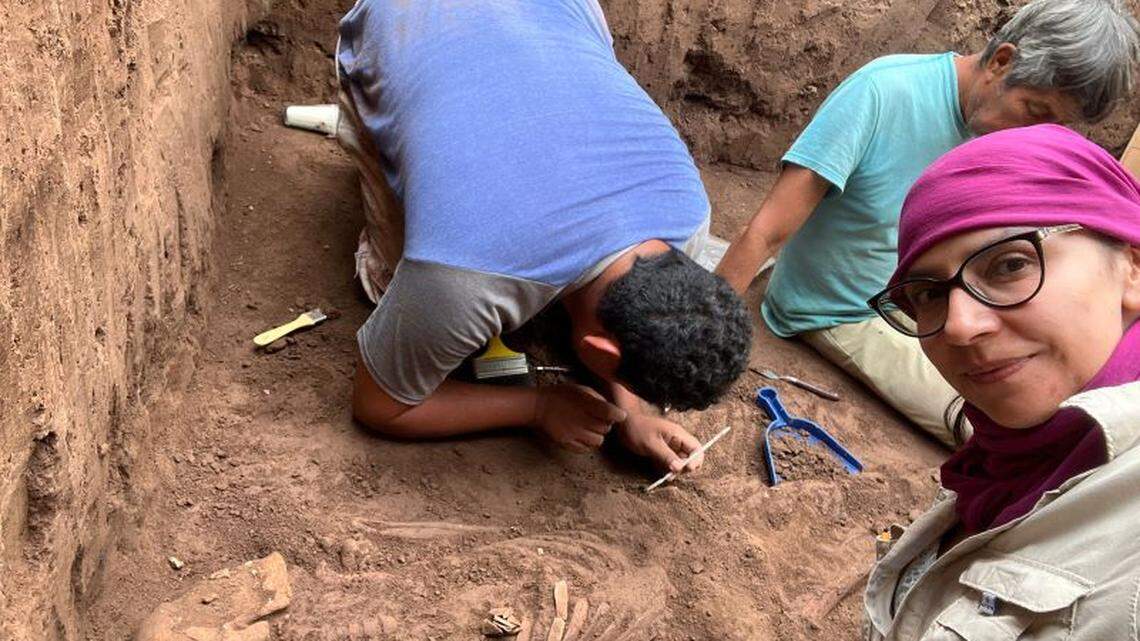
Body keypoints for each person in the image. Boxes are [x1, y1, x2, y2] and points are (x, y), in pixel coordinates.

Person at [333, 0, 752, 473]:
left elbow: (606, 305)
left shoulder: (689, 212)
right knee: (387, 280)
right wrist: (537, 407)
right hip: (401, 16)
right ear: (597, 351)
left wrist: (633, 412)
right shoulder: (462, 275)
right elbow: (379, 404)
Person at [716, 0, 1140, 446]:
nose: (1035, 134)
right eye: (1035, 110)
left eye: (1059, 125)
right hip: (840, 309)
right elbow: (768, 230)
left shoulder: (1003, 139)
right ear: (1002, 62)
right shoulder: (884, 93)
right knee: (1012, 426)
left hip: (932, 300)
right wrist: (703, 330)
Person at [862, 124, 1140, 640]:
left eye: (1009, 264)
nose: (960, 326)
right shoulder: (1009, 465)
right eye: (927, 294)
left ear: (1132, 267)